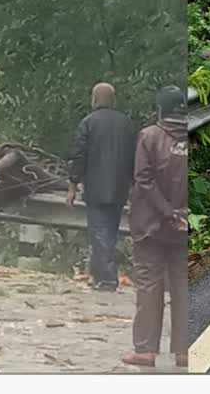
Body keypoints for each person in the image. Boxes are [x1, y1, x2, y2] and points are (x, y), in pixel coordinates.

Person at [122, 86, 189, 369]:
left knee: (149, 284)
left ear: (160, 109)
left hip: (152, 224)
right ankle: (185, 350)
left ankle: (146, 350)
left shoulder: (149, 136)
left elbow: (143, 179)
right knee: (183, 285)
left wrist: (167, 212)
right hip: (183, 225)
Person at [67, 83, 136, 291]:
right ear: (113, 100)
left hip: (96, 187)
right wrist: (133, 186)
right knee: (110, 233)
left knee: (98, 233)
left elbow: (79, 156)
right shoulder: (126, 124)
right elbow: (134, 157)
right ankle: (100, 276)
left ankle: (106, 279)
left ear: (94, 99)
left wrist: (72, 186)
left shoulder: (88, 123)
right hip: (119, 188)